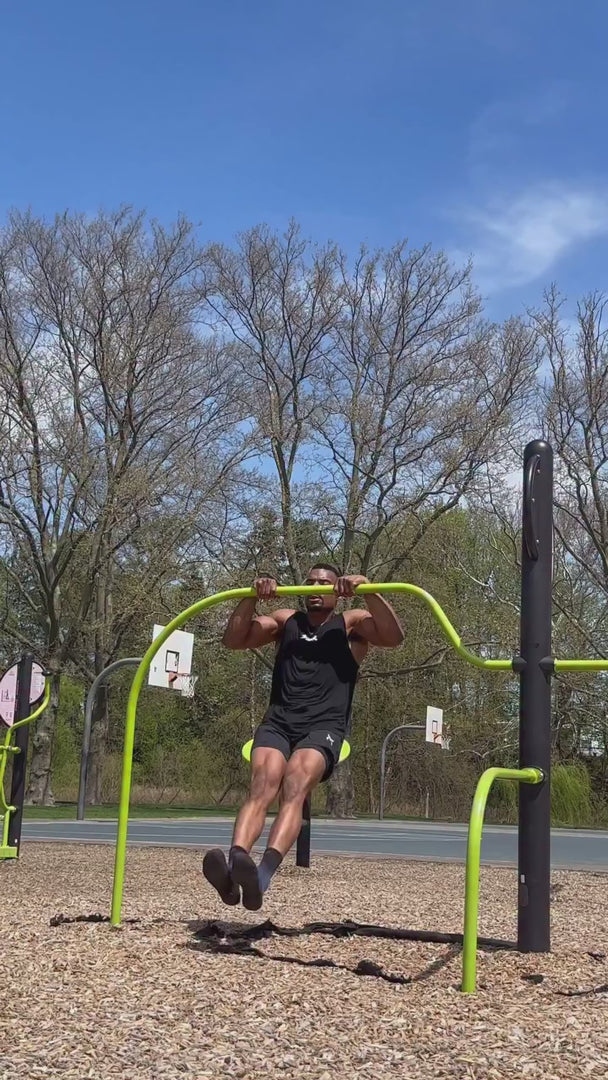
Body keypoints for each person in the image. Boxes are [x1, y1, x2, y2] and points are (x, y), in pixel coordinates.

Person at [202, 564, 404, 910]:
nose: (315, 588)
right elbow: (234, 640)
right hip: (279, 721)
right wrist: (252, 596)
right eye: (310, 582)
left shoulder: (351, 623)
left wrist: (368, 589)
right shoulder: (286, 621)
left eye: (323, 583)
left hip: (323, 726)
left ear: (337, 591)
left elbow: (393, 637)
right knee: (263, 783)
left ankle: (261, 876)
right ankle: (236, 867)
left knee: (295, 783)